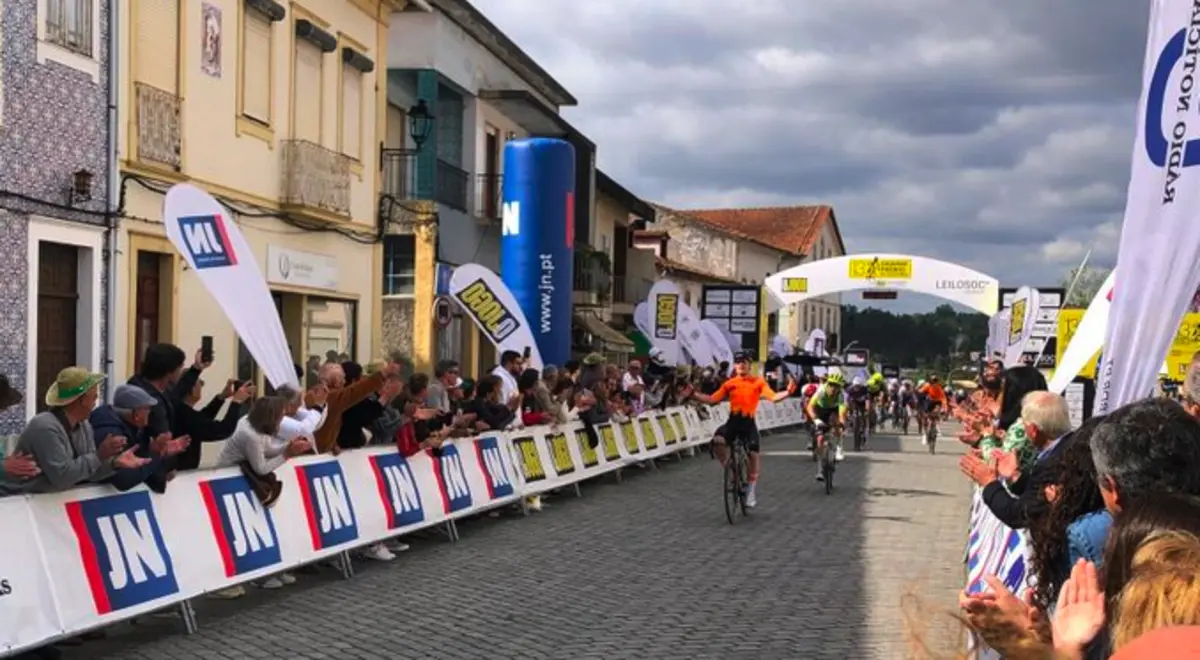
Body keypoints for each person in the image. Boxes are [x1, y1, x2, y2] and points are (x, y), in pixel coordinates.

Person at [0, 368, 149, 496]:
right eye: (94, 396)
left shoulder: (83, 425)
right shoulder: (45, 427)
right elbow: (62, 477)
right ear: (81, 400)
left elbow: (89, 472)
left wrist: (114, 463)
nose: (96, 401)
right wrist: (99, 455)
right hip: (20, 504)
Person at [691, 351, 793, 508]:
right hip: (732, 422)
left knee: (753, 452)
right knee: (717, 441)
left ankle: (751, 489)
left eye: (744, 362)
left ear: (749, 365)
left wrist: (788, 392)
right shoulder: (729, 384)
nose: (741, 365)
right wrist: (693, 394)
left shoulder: (758, 382)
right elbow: (712, 400)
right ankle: (730, 468)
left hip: (748, 423)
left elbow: (773, 397)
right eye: (738, 362)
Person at [805, 370, 848, 481]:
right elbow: (810, 407)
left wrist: (842, 422)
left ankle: (839, 448)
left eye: (836, 386)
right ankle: (819, 470)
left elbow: (842, 410)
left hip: (833, 410)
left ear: (839, 387)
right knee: (819, 440)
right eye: (831, 385)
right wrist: (816, 420)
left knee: (837, 425)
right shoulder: (821, 390)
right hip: (820, 410)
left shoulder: (841, 394)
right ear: (827, 384)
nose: (833, 388)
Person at [917, 375, 948, 441]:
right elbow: (921, 391)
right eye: (932, 381)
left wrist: (944, 408)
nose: (934, 382)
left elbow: (944, 398)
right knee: (925, 416)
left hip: (938, 402)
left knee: (936, 414)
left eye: (935, 381)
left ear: (937, 381)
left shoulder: (939, 388)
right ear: (930, 381)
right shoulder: (928, 386)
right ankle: (925, 432)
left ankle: (935, 427)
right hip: (930, 402)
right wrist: (919, 391)